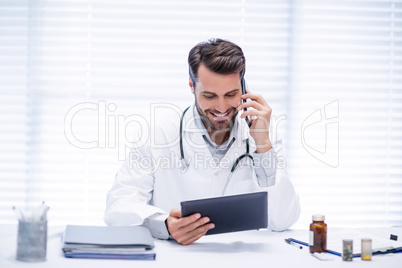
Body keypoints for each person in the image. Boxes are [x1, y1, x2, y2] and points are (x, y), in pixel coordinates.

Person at [104, 38, 300, 245]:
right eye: (209, 96)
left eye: (231, 94)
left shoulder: (262, 135)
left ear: (243, 87)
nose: (222, 108)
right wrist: (165, 225)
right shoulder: (156, 133)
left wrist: (263, 146)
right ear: (192, 86)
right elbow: (119, 204)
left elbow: (282, 219)